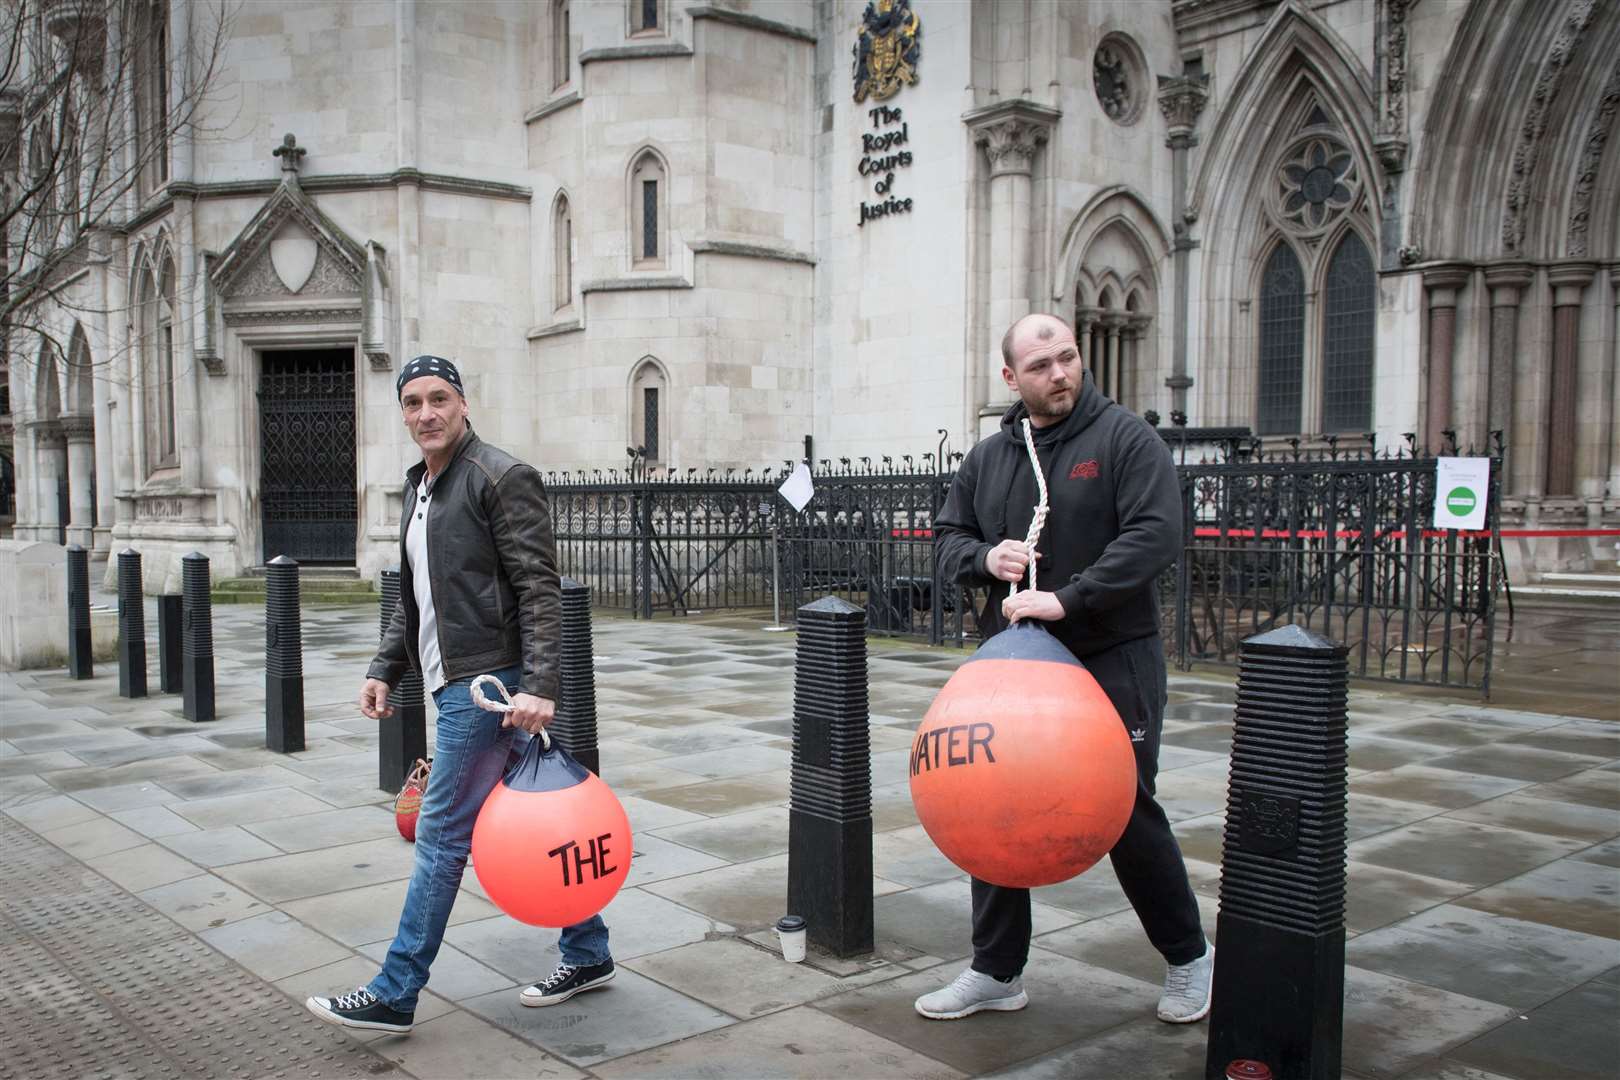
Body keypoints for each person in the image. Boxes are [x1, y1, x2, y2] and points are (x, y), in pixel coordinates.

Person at [916, 313, 1213, 1024]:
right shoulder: (991, 456)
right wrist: (986, 559)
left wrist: (1068, 598)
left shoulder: (1123, 438)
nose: (1061, 373)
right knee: (988, 800)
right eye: (1042, 364)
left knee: (1126, 810)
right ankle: (996, 971)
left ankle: (1189, 958)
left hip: (1112, 654)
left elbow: (1155, 534)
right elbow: (948, 538)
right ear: (1011, 378)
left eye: (1068, 357)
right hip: (1017, 668)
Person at [306, 355, 615, 1035]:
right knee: (539, 821)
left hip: (488, 688)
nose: (426, 414)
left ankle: (396, 989)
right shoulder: (422, 486)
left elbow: (539, 587)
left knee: (441, 835)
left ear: (463, 403)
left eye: (438, 399)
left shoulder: (499, 477)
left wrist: (539, 686)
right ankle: (588, 951)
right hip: (459, 681)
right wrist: (384, 666)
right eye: (413, 403)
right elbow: (417, 597)